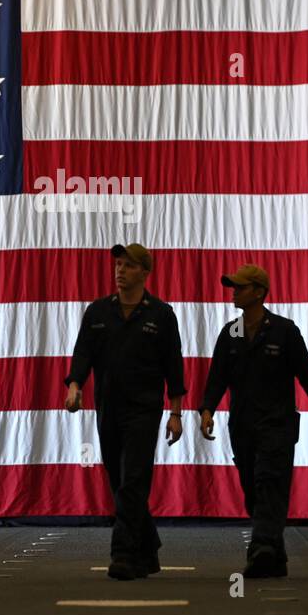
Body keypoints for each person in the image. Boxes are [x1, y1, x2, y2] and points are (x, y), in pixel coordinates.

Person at [198, 264, 308, 578]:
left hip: (277, 426)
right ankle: (276, 553)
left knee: (268, 483)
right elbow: (217, 377)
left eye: (241, 286)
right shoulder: (230, 333)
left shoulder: (285, 331)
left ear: (259, 292)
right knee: (253, 489)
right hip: (242, 426)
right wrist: (207, 410)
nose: (234, 291)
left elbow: (307, 376)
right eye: (234, 286)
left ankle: (260, 547)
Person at [64, 243, 186, 580]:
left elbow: (173, 366)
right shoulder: (98, 312)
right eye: (118, 264)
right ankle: (148, 548)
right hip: (108, 408)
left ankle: (123, 555)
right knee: (120, 483)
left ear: (145, 272)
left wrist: (176, 413)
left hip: (144, 410)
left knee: (133, 480)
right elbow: (82, 354)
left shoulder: (161, 314)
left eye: (128, 266)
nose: (120, 270)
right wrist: (74, 384)